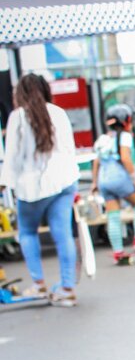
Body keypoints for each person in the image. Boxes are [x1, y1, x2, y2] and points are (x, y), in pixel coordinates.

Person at [0, 74, 80, 305]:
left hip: (32, 186)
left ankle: (39, 285)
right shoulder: (58, 112)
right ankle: (67, 288)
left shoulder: (18, 117)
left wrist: (6, 183)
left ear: (20, 94)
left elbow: (12, 157)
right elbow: (69, 150)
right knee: (62, 233)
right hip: (64, 181)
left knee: (27, 232)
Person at [91, 104, 135, 262]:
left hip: (104, 180)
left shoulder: (103, 139)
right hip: (119, 177)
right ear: (126, 121)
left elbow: (96, 162)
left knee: (113, 216)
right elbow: (125, 158)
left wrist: (94, 183)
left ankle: (117, 250)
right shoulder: (124, 136)